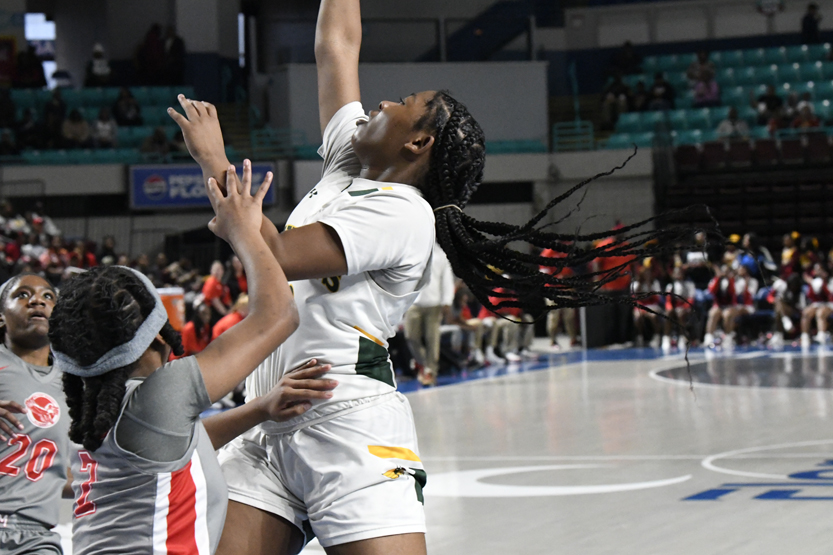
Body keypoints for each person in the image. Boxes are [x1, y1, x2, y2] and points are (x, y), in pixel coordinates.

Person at [168, 1, 697, 551]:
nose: (382, 102)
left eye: (403, 103)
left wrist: (213, 159)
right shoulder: (348, 165)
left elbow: (272, 250)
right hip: (267, 421)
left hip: (345, 426)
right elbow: (336, 47)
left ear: (418, 143)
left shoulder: (404, 211)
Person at [52, 163, 338, 555]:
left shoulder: (97, 405)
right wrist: (243, 229)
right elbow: (278, 314)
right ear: (158, 333)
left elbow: (182, 441)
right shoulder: (158, 396)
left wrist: (259, 409)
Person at [0, 274, 67, 555]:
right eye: (22, 295)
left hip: (37, 538)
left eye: (48, 296)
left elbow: (66, 473)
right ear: (1, 316)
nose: (37, 300)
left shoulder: (75, 384)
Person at [404, 242, 454, 386]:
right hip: (413, 302)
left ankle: (430, 371)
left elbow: (446, 278)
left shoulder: (441, 254)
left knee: (432, 339)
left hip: (434, 303)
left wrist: (447, 301)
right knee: (410, 336)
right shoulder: (410, 249)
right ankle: (423, 365)